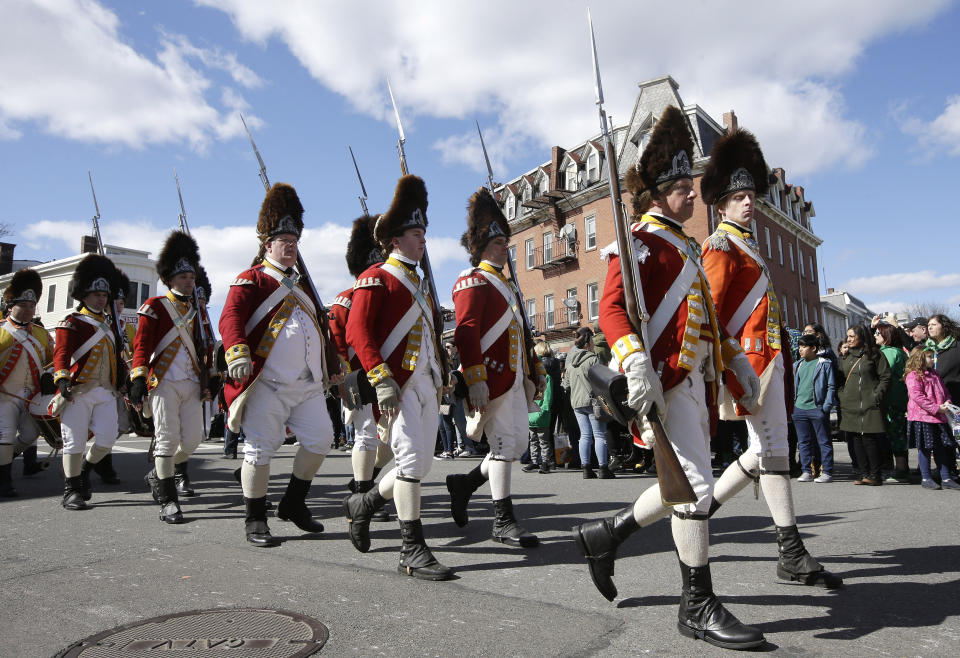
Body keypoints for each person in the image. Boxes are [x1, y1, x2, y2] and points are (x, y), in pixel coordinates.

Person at [570, 107, 764, 649]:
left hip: (692, 383)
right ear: (656, 192)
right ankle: (696, 604)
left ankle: (606, 534)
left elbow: (705, 320)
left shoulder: (685, 246)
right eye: (679, 185)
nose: (688, 192)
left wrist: (737, 363)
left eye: (689, 183)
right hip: (659, 382)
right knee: (696, 489)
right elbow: (611, 313)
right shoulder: (637, 243)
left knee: (683, 485)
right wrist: (632, 361)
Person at [699, 128, 842, 588]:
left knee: (766, 452)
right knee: (774, 452)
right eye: (738, 196)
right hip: (750, 363)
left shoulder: (750, 246)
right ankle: (790, 549)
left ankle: (702, 513)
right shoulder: (720, 246)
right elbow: (713, 316)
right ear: (720, 205)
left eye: (750, 195)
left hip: (771, 359)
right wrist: (723, 371)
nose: (748, 202)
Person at [343, 175, 453, 580]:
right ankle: (412, 548)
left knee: (421, 464)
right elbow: (359, 331)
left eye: (423, 231)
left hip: (426, 380)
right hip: (398, 383)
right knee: (409, 460)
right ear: (394, 240)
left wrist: (443, 371)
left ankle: (365, 503)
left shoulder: (421, 283)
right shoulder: (376, 277)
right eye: (414, 232)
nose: (422, 238)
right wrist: (380, 377)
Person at [219, 182, 340, 547]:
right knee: (259, 450)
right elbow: (231, 316)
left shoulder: (303, 286)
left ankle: (293, 502)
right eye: (283, 241)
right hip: (266, 383)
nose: (290, 247)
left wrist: (332, 366)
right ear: (266, 245)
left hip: (306, 383)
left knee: (321, 440)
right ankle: (255, 519)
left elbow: (320, 328)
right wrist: (237, 351)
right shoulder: (252, 278)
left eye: (294, 241)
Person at [444, 187, 543, 548]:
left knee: (516, 444)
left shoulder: (508, 286)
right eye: (500, 242)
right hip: (492, 376)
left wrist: (534, 373)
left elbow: (521, 335)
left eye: (505, 241)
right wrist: (475, 377)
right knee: (503, 445)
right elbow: (467, 332)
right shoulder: (473, 280)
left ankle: (466, 484)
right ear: (484, 246)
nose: (506, 247)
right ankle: (503, 520)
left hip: (514, 377)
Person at [129, 231, 216, 524]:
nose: (189, 282)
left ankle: (159, 471)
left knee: (192, 440)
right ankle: (168, 500)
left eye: (192, 277)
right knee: (166, 441)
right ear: (170, 280)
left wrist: (211, 378)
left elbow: (205, 349)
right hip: (163, 381)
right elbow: (141, 345)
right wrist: (138, 377)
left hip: (191, 382)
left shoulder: (198, 311)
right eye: (183, 278)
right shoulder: (154, 306)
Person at [329, 215, 396, 500]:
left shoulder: (393, 295)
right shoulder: (345, 299)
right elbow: (339, 345)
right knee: (367, 435)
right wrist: (344, 383)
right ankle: (362, 491)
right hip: (359, 377)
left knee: (390, 441)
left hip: (389, 373)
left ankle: (365, 480)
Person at [53, 254, 124, 510]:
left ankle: (83, 470)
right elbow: (61, 354)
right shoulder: (72, 322)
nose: (101, 299)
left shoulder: (110, 325)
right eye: (96, 295)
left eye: (104, 295)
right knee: (74, 441)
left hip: (106, 390)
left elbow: (117, 359)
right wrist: (62, 379)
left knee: (107, 438)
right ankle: (71, 490)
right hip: (79, 390)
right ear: (83, 295)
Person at [0, 269, 55, 497]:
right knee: (4, 434)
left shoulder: (42, 334)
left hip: (31, 394)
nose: (28, 310)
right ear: (11, 306)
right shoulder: (1, 331)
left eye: (32, 306)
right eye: (23, 305)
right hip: (4, 394)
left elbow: (52, 361)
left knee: (31, 434)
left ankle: (5, 460)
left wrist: (49, 376)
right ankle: (4, 481)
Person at [838, 324, 891, 485]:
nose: (849, 339)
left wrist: (876, 395)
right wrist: (842, 396)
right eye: (848, 336)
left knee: (869, 439)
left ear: (862, 336)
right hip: (850, 405)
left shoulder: (875, 354)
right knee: (855, 440)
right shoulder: (845, 358)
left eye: (853, 336)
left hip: (870, 405)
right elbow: (839, 381)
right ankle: (862, 473)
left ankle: (875, 475)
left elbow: (886, 377)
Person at [904, 347, 958, 489]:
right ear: (920, 358)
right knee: (925, 449)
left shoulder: (935, 374)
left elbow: (945, 391)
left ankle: (945, 478)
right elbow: (918, 396)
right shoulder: (913, 375)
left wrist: (947, 401)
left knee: (942, 448)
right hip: (922, 418)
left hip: (938, 418)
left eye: (933, 356)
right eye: (929, 357)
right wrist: (936, 408)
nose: (933, 360)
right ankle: (926, 478)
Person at [563, 327, 613, 479]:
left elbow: (566, 385)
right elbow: (601, 381)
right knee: (599, 435)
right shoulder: (593, 359)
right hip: (593, 402)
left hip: (577, 403)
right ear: (588, 343)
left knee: (584, 436)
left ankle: (586, 468)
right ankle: (603, 468)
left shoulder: (570, 363)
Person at [792, 334, 836, 482]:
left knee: (823, 441)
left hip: (817, 408)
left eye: (804, 346)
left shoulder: (824, 363)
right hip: (799, 409)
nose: (800, 350)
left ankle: (827, 471)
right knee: (803, 442)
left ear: (814, 348)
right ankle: (806, 471)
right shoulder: (797, 365)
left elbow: (831, 386)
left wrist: (826, 406)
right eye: (799, 346)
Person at [874, 323, 909, 482]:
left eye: (878, 334)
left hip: (890, 401)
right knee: (898, 433)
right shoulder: (901, 352)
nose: (875, 336)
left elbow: (880, 374)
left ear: (886, 337)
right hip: (900, 399)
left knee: (895, 434)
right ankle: (902, 467)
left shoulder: (888, 353)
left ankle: (901, 469)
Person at [526, 341, 556, 474]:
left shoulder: (546, 377)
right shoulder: (531, 378)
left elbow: (548, 396)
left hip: (539, 413)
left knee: (542, 440)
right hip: (532, 413)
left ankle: (544, 462)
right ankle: (535, 461)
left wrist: (544, 409)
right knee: (534, 439)